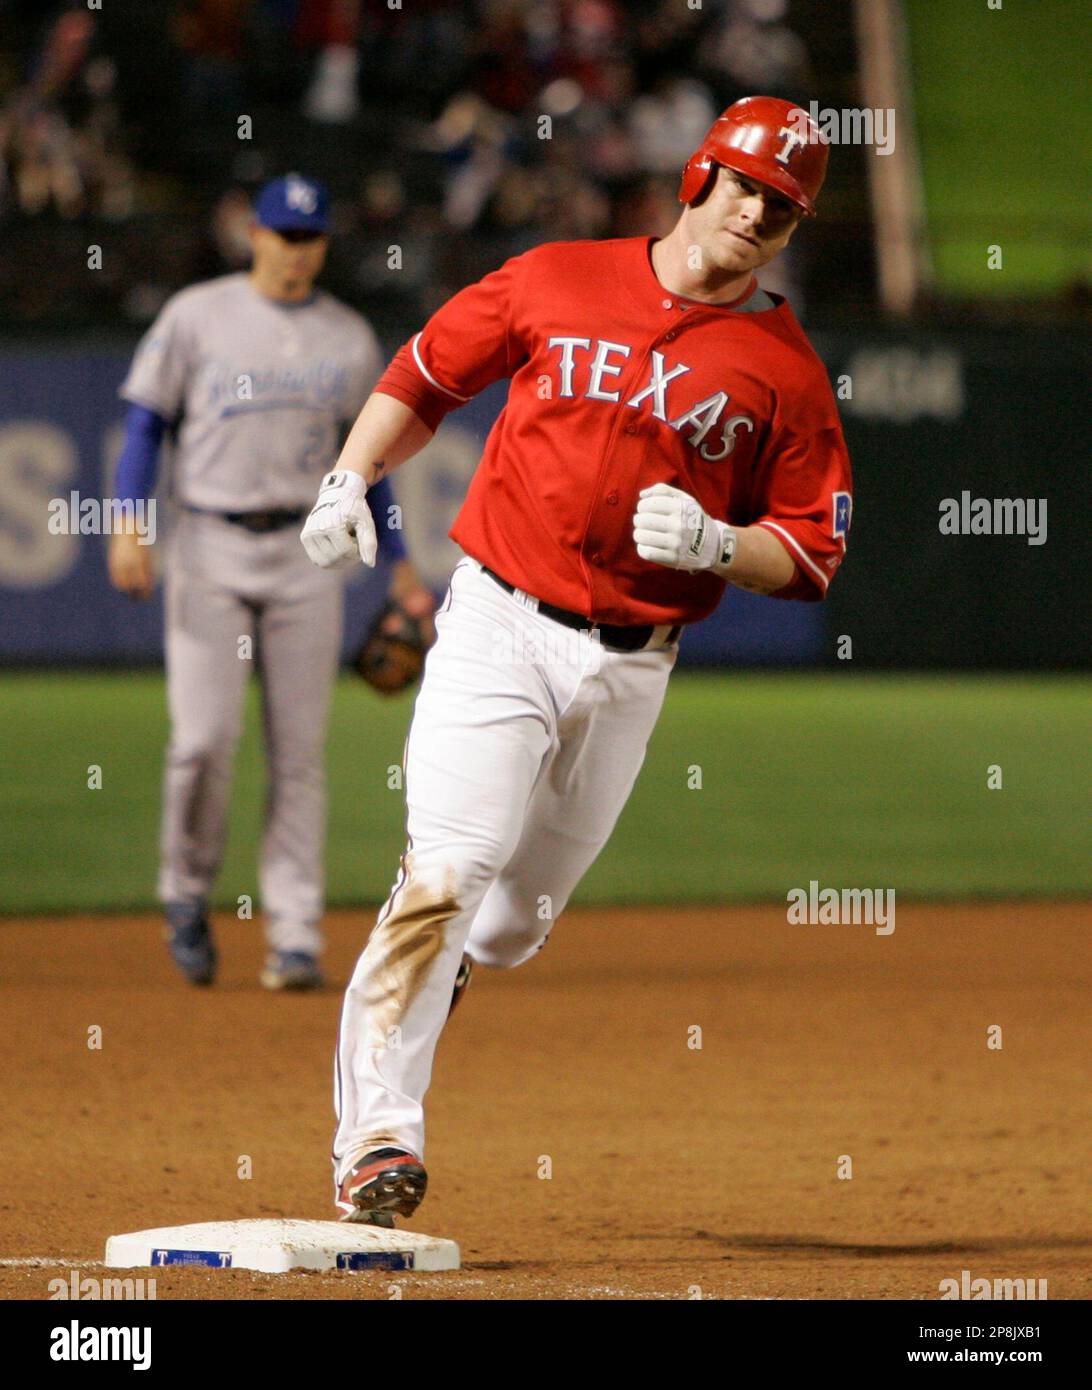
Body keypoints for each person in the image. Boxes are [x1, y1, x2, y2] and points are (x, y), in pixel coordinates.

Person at [299, 98, 853, 1224]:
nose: (756, 211)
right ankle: (377, 1140)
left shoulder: (785, 371)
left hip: (633, 663)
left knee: (508, 927)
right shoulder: (557, 275)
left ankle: (453, 965)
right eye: (744, 184)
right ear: (697, 175)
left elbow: (809, 551)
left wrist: (715, 544)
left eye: (782, 206)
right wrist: (350, 473)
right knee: (448, 873)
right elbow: (427, 373)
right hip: (498, 620)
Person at [108, 173, 435, 992]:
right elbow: (145, 425)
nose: (299, 251)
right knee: (201, 744)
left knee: (300, 755)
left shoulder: (348, 336)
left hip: (306, 552)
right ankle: (185, 894)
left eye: (312, 236)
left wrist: (399, 563)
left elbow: (374, 465)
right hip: (209, 545)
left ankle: (294, 935)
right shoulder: (198, 315)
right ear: (252, 233)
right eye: (285, 235)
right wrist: (125, 524)